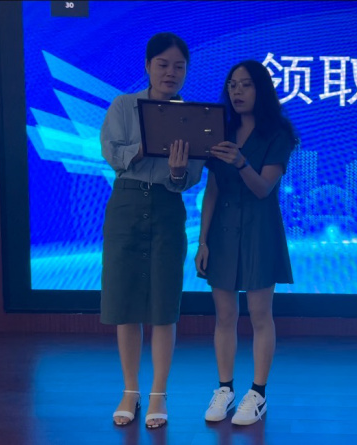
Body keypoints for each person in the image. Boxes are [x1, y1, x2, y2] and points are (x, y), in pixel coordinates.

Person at [100, 32, 205, 429]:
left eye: (179, 66)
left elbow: (191, 176)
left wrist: (177, 172)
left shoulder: (194, 116)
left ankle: (159, 393)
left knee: (163, 305)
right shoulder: (124, 105)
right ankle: (130, 390)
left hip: (166, 207)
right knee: (125, 303)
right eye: (162, 64)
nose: (170, 73)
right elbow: (112, 154)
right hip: (126, 205)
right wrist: (146, 145)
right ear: (147, 66)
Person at [195, 60, 298, 426]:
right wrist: (202, 241)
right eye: (232, 85)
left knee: (259, 314)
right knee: (224, 315)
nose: (237, 91)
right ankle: (224, 389)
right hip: (222, 231)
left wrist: (241, 162)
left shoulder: (278, 133)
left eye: (246, 84)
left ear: (261, 89)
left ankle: (258, 393)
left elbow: (263, 188)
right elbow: (212, 190)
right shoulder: (219, 129)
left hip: (259, 231)